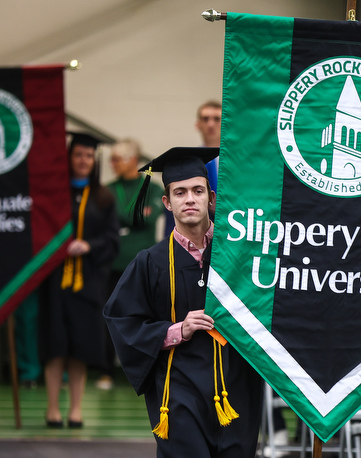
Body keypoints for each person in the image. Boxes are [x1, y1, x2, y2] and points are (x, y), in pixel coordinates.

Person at [104, 147, 263, 457]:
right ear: (167, 202)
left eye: (197, 190)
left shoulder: (240, 257)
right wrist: (177, 329)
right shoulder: (149, 263)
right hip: (177, 388)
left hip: (236, 386)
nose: (189, 198)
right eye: (180, 192)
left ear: (211, 198)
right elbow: (122, 321)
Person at [41, 132, 119, 428]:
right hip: (56, 282)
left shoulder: (104, 198)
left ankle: (75, 409)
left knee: (81, 346)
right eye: (78, 155)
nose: (84, 160)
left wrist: (89, 246)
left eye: (89, 156)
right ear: (69, 157)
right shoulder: (54, 195)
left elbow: (112, 241)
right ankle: (52, 409)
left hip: (88, 282)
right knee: (55, 344)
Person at [96, 138, 165, 390]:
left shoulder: (154, 188)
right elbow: (133, 217)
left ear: (134, 161)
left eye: (118, 159)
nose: (113, 164)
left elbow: (147, 217)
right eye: (111, 159)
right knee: (109, 317)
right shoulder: (106, 189)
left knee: (146, 319)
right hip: (112, 265)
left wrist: (121, 218)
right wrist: (133, 218)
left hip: (144, 265)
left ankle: (147, 370)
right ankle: (106, 372)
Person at [164, 101, 222, 236]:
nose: (211, 124)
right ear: (198, 124)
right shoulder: (186, 164)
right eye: (205, 119)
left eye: (217, 119)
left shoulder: (236, 163)